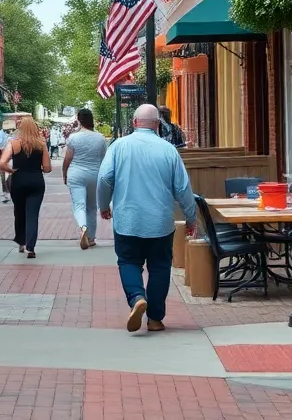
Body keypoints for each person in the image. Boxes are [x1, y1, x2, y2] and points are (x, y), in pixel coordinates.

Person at [98, 104, 197, 333]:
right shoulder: (168, 150)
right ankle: (155, 319)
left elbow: (104, 178)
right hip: (160, 221)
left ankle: (136, 297)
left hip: (127, 220)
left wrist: (104, 205)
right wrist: (191, 217)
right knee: (160, 267)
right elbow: (183, 188)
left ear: (134, 123)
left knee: (128, 261)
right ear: (156, 124)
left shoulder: (118, 146)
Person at [0, 117, 51, 258]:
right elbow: (47, 168)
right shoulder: (41, 144)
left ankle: (21, 241)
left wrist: (11, 171)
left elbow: (2, 163)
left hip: (18, 181)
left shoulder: (13, 143)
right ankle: (30, 247)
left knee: (19, 212)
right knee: (32, 215)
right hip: (36, 181)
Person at [63, 108, 109, 250]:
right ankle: (91, 237)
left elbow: (68, 158)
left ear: (79, 120)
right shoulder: (100, 138)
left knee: (79, 205)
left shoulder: (73, 138)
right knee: (92, 206)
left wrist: (64, 173)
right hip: (94, 174)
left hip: (76, 173)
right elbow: (104, 160)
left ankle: (83, 227)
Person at [0, 123, 13, 203]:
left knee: (10, 177)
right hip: (2, 157)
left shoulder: (14, 135)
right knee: (3, 177)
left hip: (11, 158)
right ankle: (6, 194)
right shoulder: (0, 133)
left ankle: (11, 192)